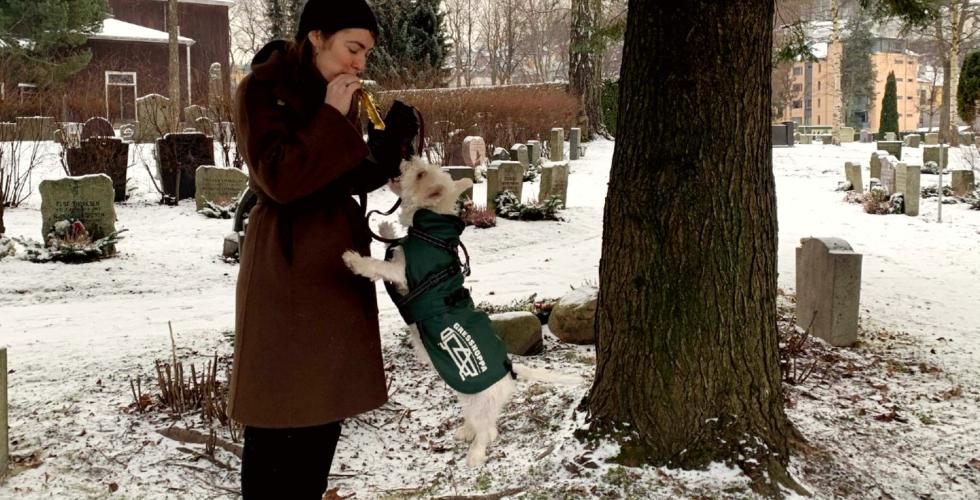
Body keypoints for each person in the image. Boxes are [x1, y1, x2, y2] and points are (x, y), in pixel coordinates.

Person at [228, 0, 419, 497]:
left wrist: (384, 150)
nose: (360, 62)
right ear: (316, 37)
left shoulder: (336, 93)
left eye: (367, 53)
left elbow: (333, 176)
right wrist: (335, 117)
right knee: (277, 412)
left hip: (334, 265)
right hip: (287, 266)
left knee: (324, 405)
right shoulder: (262, 91)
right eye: (352, 48)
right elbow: (281, 180)